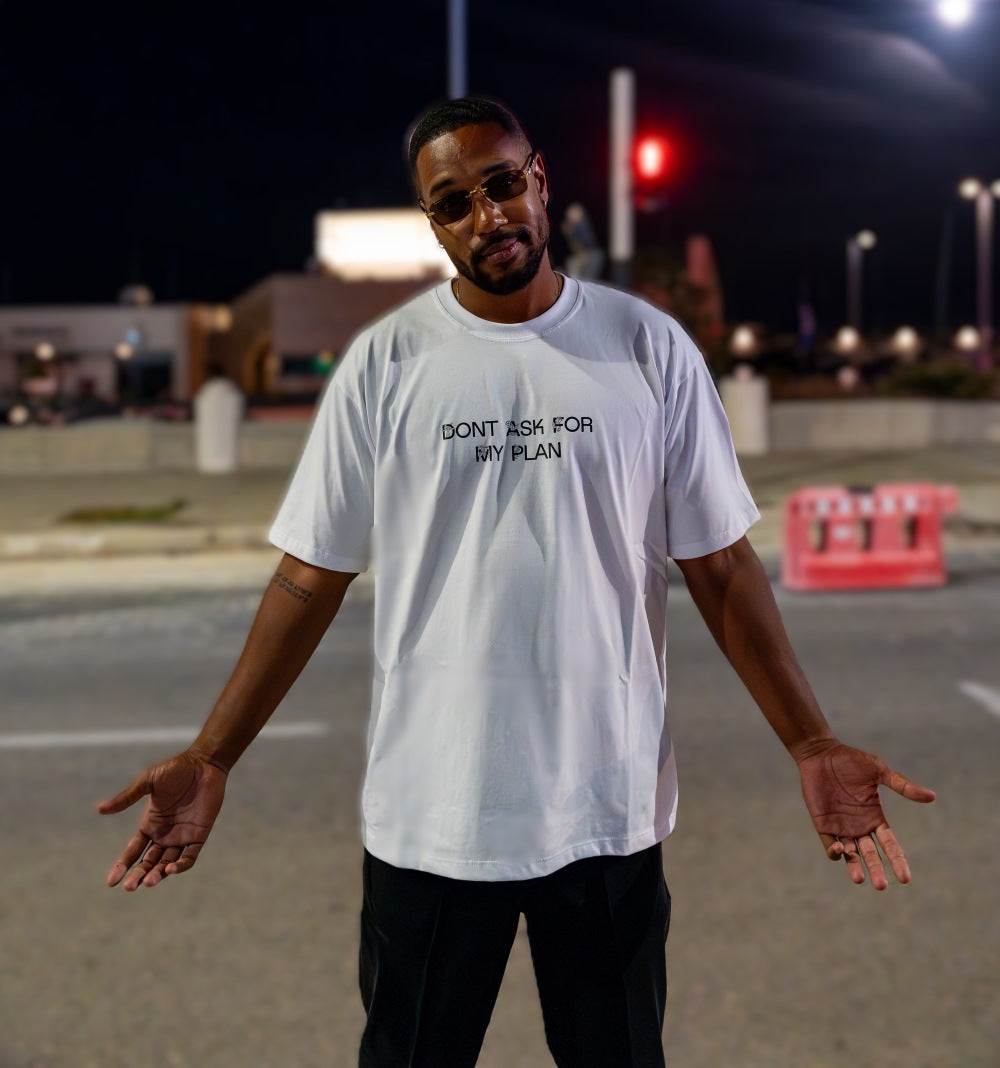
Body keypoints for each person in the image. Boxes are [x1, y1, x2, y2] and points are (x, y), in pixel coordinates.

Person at [99, 96, 936, 1068]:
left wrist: (810, 738)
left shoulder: (645, 347)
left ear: (539, 182)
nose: (486, 215)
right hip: (432, 819)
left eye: (500, 184)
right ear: (434, 225)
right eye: (453, 203)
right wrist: (213, 755)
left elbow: (717, 561)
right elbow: (308, 576)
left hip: (606, 814)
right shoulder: (387, 364)